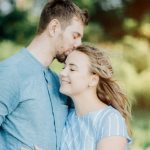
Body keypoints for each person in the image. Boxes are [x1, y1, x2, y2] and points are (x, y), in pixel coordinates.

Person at [0, 0, 88, 149]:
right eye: (75, 36)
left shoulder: (61, 82)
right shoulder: (10, 72)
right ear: (54, 28)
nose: (79, 44)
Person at [59, 44, 132, 150]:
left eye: (72, 69)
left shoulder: (110, 120)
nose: (62, 73)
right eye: (64, 67)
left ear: (93, 80)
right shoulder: (68, 117)